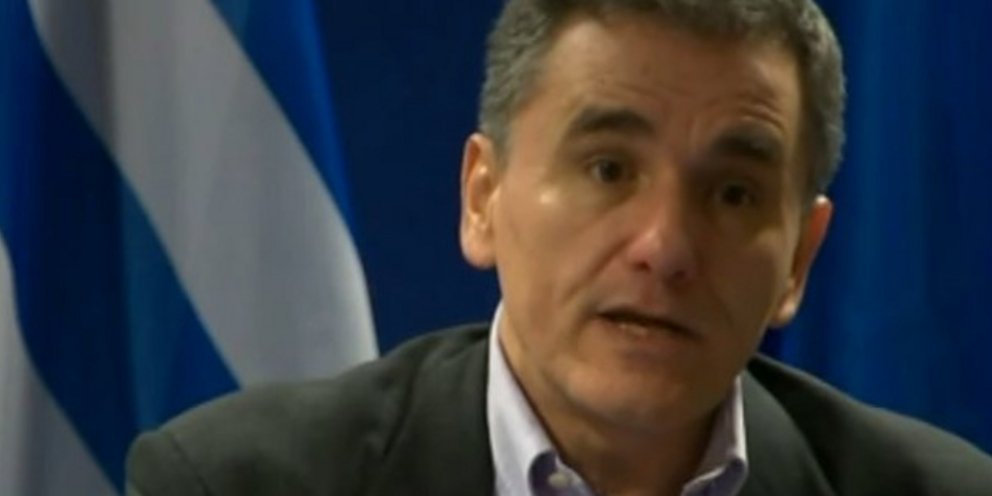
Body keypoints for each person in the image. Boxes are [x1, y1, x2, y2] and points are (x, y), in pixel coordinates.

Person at [126, 0, 992, 494]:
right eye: (609, 169)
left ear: (799, 257)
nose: (665, 246)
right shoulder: (239, 484)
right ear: (483, 199)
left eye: (733, 193)